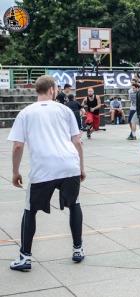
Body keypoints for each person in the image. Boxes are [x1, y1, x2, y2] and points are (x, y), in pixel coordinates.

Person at [8, 75, 86, 271]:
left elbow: (18, 146)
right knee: (74, 205)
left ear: (38, 90)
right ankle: (78, 249)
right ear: (52, 89)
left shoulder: (26, 113)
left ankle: (25, 257)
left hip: (43, 168)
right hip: (69, 165)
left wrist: (15, 172)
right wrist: (81, 168)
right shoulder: (65, 110)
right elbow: (77, 142)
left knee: (30, 211)